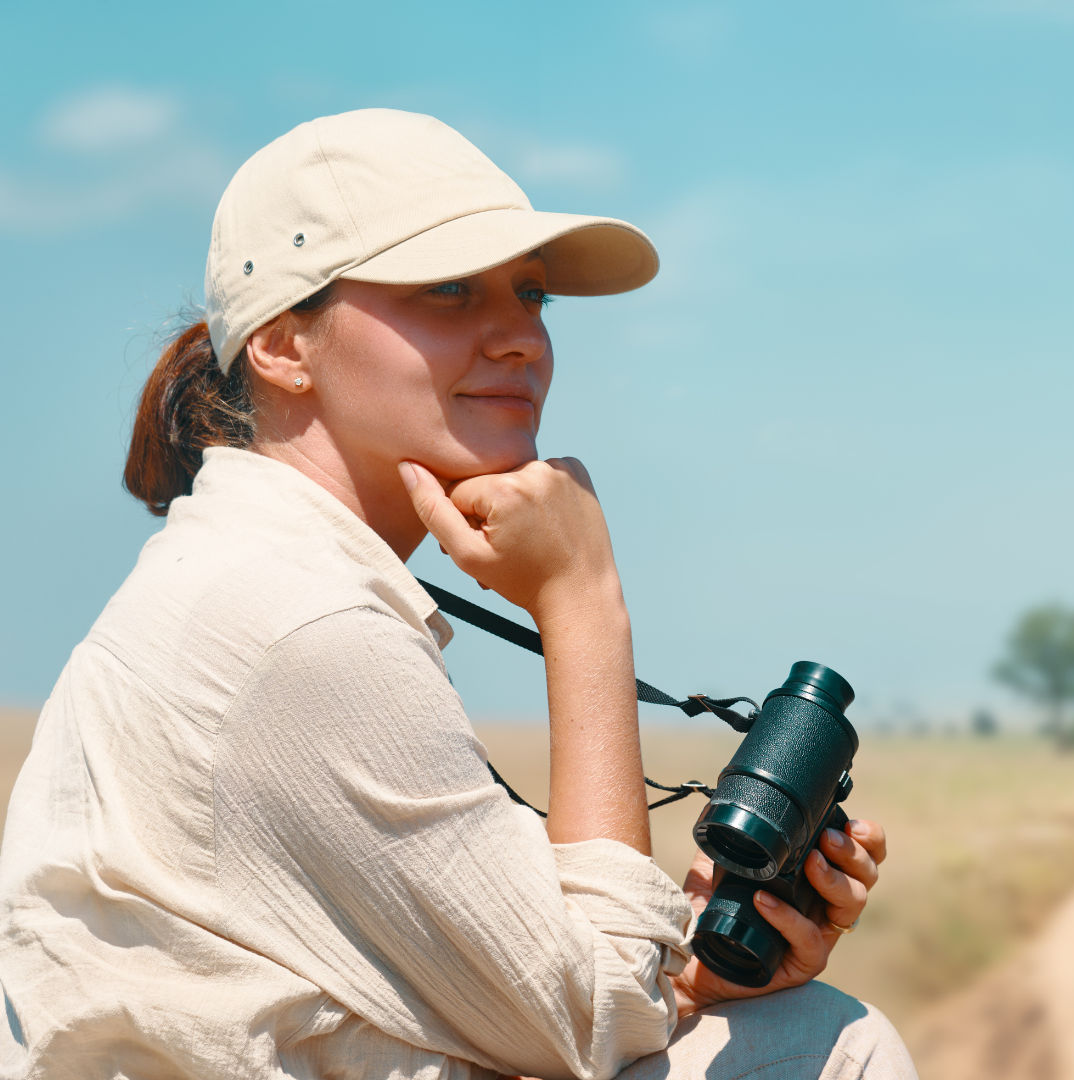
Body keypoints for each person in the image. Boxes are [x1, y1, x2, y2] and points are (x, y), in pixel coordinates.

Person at [0, 109, 917, 1080]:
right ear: (281, 347)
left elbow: (506, 995)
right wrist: (583, 600)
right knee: (832, 1043)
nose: (521, 336)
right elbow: (599, 1018)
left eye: (531, 295)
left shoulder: (245, 573)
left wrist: (698, 976)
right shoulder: (304, 627)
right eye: (448, 289)